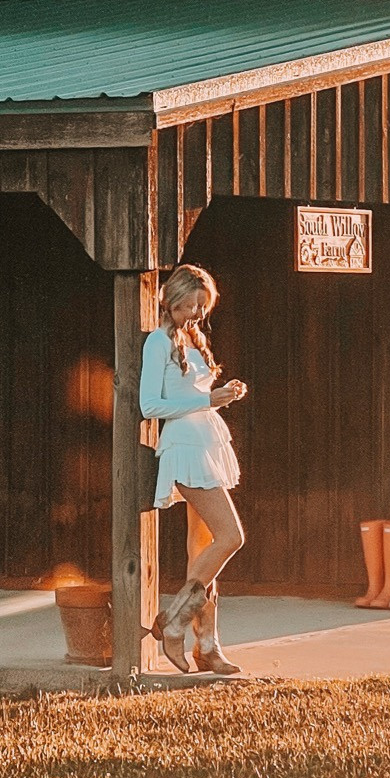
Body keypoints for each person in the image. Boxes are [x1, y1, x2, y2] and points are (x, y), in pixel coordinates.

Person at [138, 263, 248, 675]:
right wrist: (208, 401)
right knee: (231, 536)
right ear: (173, 299)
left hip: (208, 442)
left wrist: (223, 395)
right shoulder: (157, 343)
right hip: (185, 448)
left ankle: (208, 644)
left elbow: (198, 394)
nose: (197, 315)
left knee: (204, 551)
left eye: (203, 307)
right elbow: (150, 406)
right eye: (191, 306)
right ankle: (173, 620)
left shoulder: (192, 339)